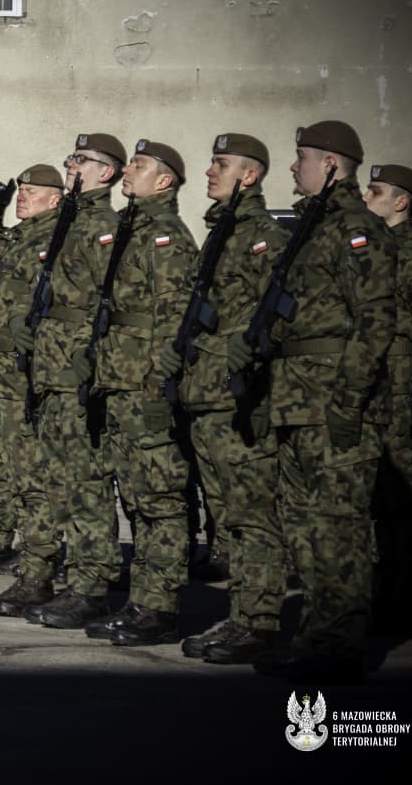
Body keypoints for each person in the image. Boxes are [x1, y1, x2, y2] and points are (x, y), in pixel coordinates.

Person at [236, 121, 396, 682]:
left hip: (331, 402)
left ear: (330, 164)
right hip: (295, 399)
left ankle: (339, 645)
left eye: (300, 157)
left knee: (339, 526)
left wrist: (349, 401)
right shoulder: (312, 226)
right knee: (304, 526)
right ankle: (315, 637)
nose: (292, 167)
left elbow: (376, 321)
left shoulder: (357, 227)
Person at [163, 134, 289, 664]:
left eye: (222, 163)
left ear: (250, 175)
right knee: (227, 515)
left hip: (234, 398)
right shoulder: (222, 235)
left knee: (250, 514)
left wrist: (245, 352)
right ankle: (242, 616)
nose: (210, 170)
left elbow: (280, 311)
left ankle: (257, 622)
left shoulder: (263, 236)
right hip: (206, 395)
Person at [77, 139, 198, 646]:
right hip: (119, 384)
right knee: (138, 500)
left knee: (160, 501)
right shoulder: (133, 230)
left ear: (164, 181)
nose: (129, 170)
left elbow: (174, 321)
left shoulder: (166, 236)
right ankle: (142, 601)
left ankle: (160, 607)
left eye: (141, 166)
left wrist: (157, 387)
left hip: (144, 387)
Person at [18, 133, 128, 630]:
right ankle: (76, 579)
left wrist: (93, 365)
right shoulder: (71, 224)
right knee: (61, 484)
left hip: (76, 374)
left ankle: (91, 586)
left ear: (107, 172)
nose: (72, 166)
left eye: (81, 160)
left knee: (85, 485)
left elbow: (111, 306)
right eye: (71, 158)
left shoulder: (104, 226)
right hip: (53, 374)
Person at [0, 164, 64, 592]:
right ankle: (28, 551)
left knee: (35, 475)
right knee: (16, 475)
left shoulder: (59, 238)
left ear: (55, 199)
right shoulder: (21, 240)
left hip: (29, 375)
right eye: (20, 191)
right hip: (1, 380)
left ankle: (45, 556)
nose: (23, 196)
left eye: (32, 192)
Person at [360, 163, 412, 630]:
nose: (366, 199)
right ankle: (386, 596)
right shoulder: (372, 259)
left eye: (375, 192)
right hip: (376, 393)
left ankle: (409, 601)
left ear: (401, 203)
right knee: (380, 502)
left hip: (404, 396)